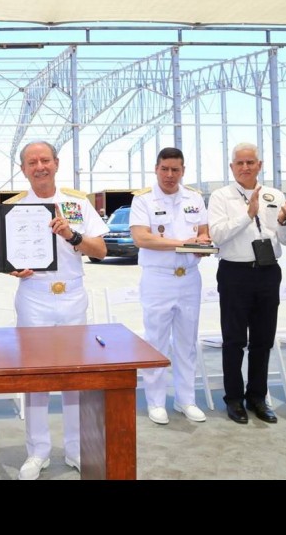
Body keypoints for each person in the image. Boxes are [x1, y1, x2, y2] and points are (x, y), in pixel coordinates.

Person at [5, 141, 108, 480]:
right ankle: (38, 451)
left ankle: (76, 448)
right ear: (23, 169)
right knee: (35, 376)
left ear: (57, 163)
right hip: (34, 296)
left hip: (72, 296)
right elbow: (3, 257)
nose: (40, 167)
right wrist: (11, 268)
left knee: (73, 375)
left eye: (45, 160)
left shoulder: (77, 203)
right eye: (32, 162)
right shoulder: (12, 209)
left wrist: (73, 236)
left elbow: (101, 250)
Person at [208, 142, 286, 424]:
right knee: (234, 340)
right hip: (235, 273)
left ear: (260, 165)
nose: (245, 167)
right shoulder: (221, 196)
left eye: (250, 162)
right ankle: (234, 399)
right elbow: (217, 235)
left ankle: (257, 397)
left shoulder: (274, 194)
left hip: (268, 272)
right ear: (232, 167)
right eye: (239, 163)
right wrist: (247, 214)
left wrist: (284, 221)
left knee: (263, 339)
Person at [130, 147, 210, 426]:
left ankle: (186, 399)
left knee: (187, 342)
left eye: (175, 169)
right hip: (158, 278)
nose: (169, 175)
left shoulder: (194, 198)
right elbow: (142, 238)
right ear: (156, 169)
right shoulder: (143, 199)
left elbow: (204, 232)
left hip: (189, 277)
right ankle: (156, 401)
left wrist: (202, 243)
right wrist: (185, 243)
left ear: (183, 171)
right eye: (164, 169)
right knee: (157, 341)